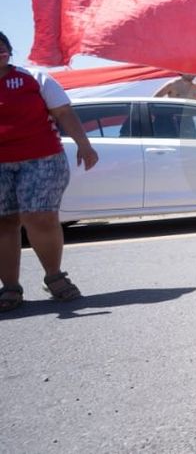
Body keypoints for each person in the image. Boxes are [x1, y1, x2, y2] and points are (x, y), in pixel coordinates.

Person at [0, 31, 99, 313]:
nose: (0, 51)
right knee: (3, 222)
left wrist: (84, 145)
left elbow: (64, 113)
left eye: (3, 46)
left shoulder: (35, 78)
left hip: (41, 158)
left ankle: (54, 277)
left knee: (39, 217)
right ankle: (10, 286)